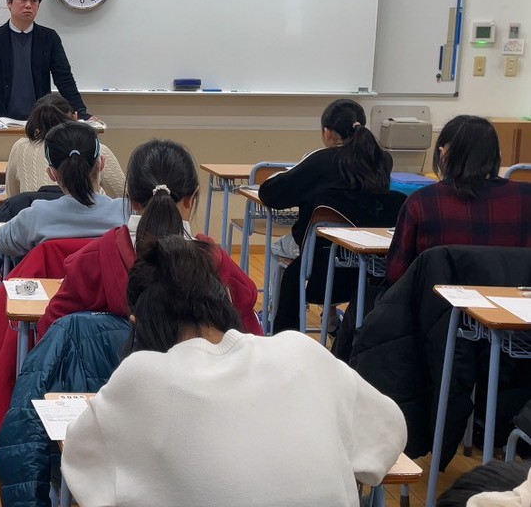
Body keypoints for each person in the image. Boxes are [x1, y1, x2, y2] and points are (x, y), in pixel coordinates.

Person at [61, 235, 406, 507]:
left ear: (138, 323)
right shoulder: (301, 350)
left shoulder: (141, 377)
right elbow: (388, 431)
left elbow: (84, 467)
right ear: (225, 298)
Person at [37, 138, 261, 337]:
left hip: (112, 373)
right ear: (191, 198)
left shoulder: (93, 259)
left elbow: (52, 328)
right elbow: (250, 338)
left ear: (132, 200)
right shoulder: (215, 263)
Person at [259, 98, 394, 332]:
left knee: (277, 248)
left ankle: (272, 316)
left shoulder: (321, 160)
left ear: (328, 133)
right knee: (329, 240)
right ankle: (330, 320)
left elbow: (271, 194)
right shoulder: (382, 161)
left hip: (320, 262)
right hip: (370, 264)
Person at [386, 115, 531, 284]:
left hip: (434, 299)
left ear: (443, 154)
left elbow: (396, 272)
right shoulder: (525, 197)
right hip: (510, 300)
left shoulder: (421, 202)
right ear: (498, 156)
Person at [0, 121, 128, 259]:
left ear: (52, 174)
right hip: (110, 274)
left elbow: (0, 241)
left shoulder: (36, 217)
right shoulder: (126, 213)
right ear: (101, 164)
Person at [6, 93, 124, 198]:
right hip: (92, 213)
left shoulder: (20, 147)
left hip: (35, 214)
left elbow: (13, 197)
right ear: (75, 117)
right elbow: (124, 198)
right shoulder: (96, 149)